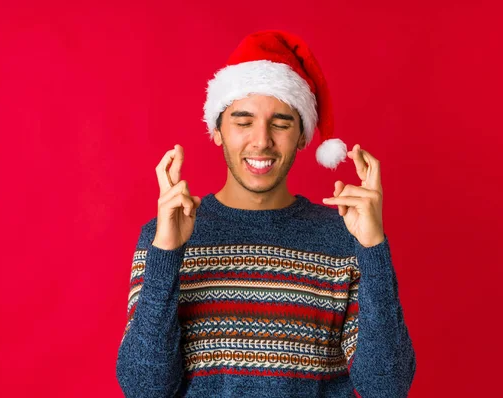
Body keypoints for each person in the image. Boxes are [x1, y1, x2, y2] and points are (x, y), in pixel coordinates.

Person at [116, 30, 416, 398]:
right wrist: (166, 254)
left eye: (281, 123)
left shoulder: (346, 237)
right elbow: (144, 388)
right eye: (243, 122)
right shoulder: (165, 234)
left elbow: (386, 387)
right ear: (216, 131)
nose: (261, 140)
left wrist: (373, 248)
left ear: (303, 135)